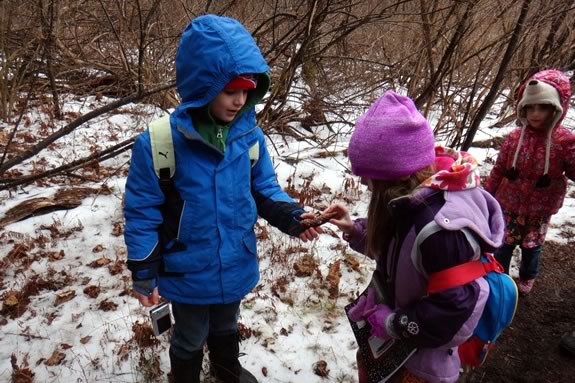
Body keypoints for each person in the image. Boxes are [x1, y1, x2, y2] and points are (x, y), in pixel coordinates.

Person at [123, 15, 320, 383]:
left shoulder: (250, 139)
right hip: (188, 269)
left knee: (227, 323)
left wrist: (293, 217)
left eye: (247, 91)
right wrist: (144, 269)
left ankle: (227, 368)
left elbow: (264, 191)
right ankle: (185, 375)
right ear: (202, 86)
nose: (240, 101)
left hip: (235, 260)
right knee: (191, 334)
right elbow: (141, 211)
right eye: (230, 91)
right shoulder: (160, 143)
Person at [323, 91, 505, 383]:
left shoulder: (440, 231)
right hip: (395, 348)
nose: (361, 181)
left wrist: (394, 323)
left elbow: (454, 309)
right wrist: (354, 229)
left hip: (421, 365)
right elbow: (402, 248)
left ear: (392, 174)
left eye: (368, 175)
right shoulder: (412, 203)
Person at [484, 69, 575, 296]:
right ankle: (499, 275)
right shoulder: (515, 137)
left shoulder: (564, 140)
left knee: (532, 246)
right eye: (530, 107)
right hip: (509, 201)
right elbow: (499, 169)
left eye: (543, 107)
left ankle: (527, 276)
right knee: (504, 242)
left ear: (556, 108)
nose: (535, 113)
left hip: (541, 207)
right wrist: (487, 195)